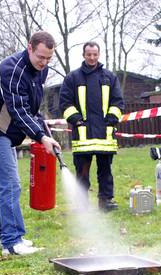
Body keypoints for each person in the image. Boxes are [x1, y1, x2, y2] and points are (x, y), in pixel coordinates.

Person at [0, 31, 60, 255]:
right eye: (41, 57)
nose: (44, 63)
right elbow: (18, 110)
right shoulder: (12, 70)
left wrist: (45, 131)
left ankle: (1, 235)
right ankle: (11, 244)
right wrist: (40, 136)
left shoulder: (40, 71)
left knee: (5, 183)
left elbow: (32, 107)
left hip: (6, 131)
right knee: (10, 184)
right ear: (29, 48)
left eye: (49, 58)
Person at [59, 41, 124, 212]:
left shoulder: (110, 77)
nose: (92, 57)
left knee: (105, 171)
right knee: (82, 172)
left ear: (99, 55)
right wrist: (77, 120)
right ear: (84, 55)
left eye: (95, 54)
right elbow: (65, 103)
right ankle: (81, 204)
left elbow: (118, 102)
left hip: (105, 135)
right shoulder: (72, 78)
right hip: (83, 136)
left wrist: (111, 118)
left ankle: (106, 201)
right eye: (89, 54)